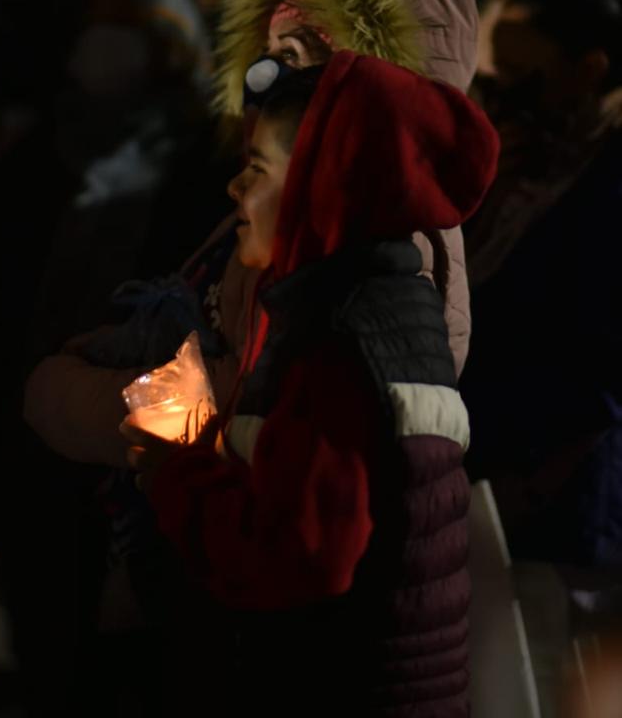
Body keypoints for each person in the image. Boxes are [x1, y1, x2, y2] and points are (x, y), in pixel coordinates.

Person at [24, 0, 480, 469]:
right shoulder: (295, 205)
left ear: (370, 81)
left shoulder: (373, 232)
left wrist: (67, 395)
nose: (263, 79)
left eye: (292, 56)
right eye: (265, 57)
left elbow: (237, 400)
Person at [122, 52, 499, 716]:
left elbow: (302, 556)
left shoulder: (336, 338)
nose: (236, 189)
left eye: (259, 169)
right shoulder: (382, 305)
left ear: (325, 183)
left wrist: (170, 465)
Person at [462, 0, 622, 569]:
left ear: (589, 71)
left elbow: (601, 376)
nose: (499, 107)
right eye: (489, 86)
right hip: (489, 486)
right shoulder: (525, 168)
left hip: (563, 507)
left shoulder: (605, 186)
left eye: (525, 84)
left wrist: (526, 488)